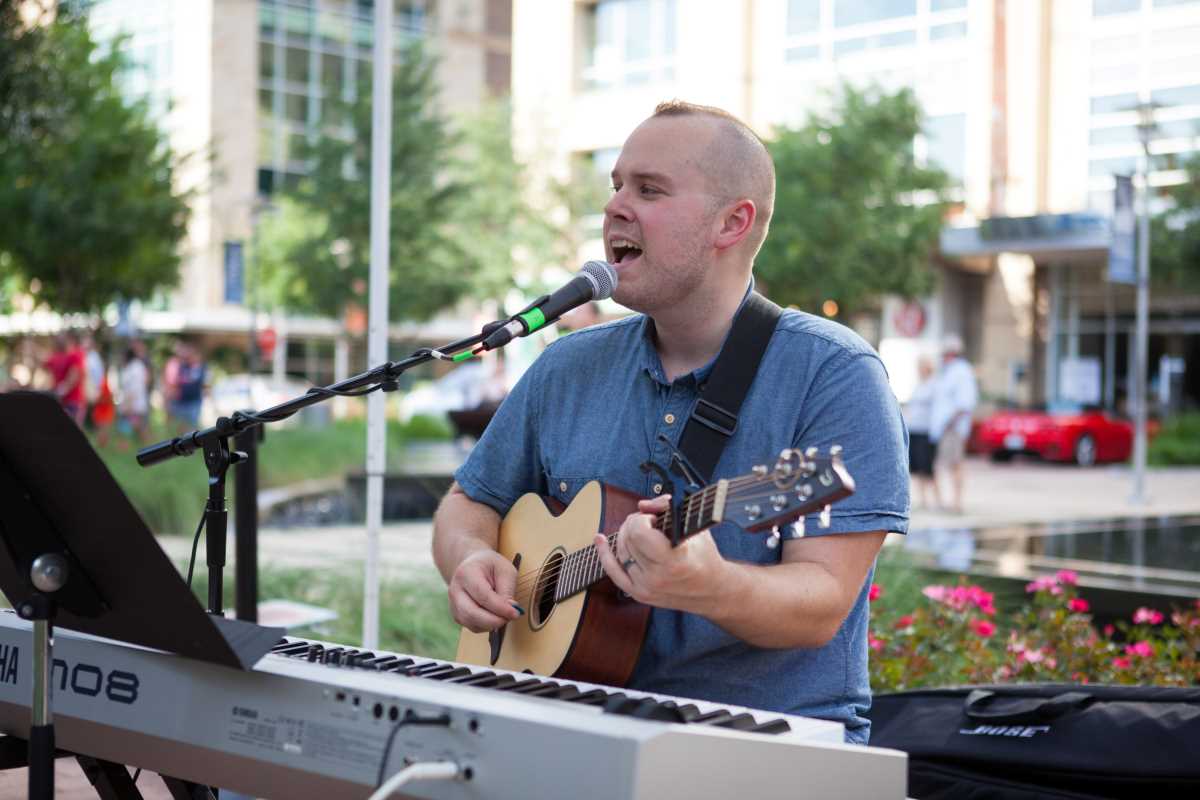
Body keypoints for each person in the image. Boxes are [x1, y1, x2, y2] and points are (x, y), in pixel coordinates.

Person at [431, 101, 908, 744]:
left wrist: (711, 588)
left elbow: (821, 604)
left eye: (649, 189)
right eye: (616, 186)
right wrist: (470, 557)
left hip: (764, 743)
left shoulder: (835, 373)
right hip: (570, 722)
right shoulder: (567, 365)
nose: (615, 207)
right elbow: (467, 502)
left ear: (731, 222)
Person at [929, 333, 978, 515]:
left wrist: (950, 423)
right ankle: (949, 501)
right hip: (943, 428)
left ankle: (957, 502)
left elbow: (964, 403)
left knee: (955, 464)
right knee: (946, 465)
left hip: (952, 428)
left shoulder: (962, 372)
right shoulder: (947, 372)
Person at [905, 356, 940, 510]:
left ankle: (937, 499)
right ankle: (923, 499)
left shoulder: (934, 386)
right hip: (914, 429)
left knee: (928, 467)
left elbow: (938, 410)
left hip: (927, 431)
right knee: (917, 466)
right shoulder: (918, 385)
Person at [44, 333, 86, 425]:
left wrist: (62, 389)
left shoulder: (76, 354)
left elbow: (74, 375)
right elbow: (45, 362)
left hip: (73, 401)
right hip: (61, 400)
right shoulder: (58, 356)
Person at [118, 340, 151, 443]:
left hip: (134, 403)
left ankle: (125, 447)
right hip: (133, 402)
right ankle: (143, 446)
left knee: (129, 427)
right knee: (139, 427)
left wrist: (128, 404)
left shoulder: (135, 367)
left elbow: (135, 388)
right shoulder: (133, 367)